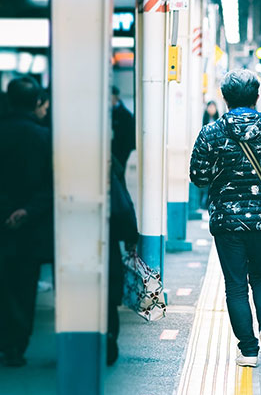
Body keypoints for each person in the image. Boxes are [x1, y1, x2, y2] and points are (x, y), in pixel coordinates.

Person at [189, 69, 261, 367]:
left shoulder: (210, 133)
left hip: (227, 224)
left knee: (235, 285)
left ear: (224, 99)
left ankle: (248, 350)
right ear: (257, 97)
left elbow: (197, 177)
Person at [0, 76, 53, 367]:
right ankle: (16, 348)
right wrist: (26, 212)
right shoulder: (43, 137)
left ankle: (4, 340)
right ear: (36, 102)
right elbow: (50, 185)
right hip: (29, 228)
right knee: (24, 287)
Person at [108, 157, 139, 365]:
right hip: (106, 240)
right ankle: (109, 338)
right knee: (107, 297)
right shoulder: (109, 165)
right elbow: (122, 206)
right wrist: (130, 238)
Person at [111, 86, 136, 171]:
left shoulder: (126, 115)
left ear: (116, 97)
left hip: (120, 155)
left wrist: (123, 155)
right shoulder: (108, 113)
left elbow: (130, 138)